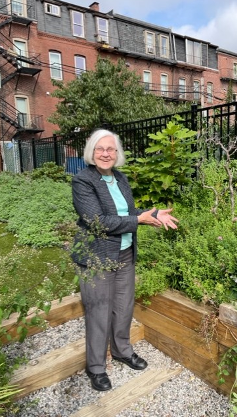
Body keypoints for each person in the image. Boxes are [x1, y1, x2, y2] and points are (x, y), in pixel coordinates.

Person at [71, 129, 178, 391]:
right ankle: (96, 367)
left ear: (117, 154)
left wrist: (151, 213)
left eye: (111, 149)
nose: (106, 154)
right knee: (98, 312)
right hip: (97, 257)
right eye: (100, 149)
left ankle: (122, 350)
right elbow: (98, 221)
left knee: (123, 307)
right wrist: (138, 220)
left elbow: (128, 212)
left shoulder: (119, 178)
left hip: (124, 253)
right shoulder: (83, 180)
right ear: (92, 153)